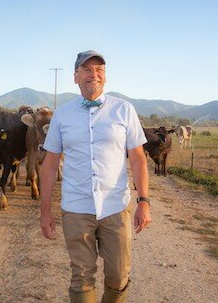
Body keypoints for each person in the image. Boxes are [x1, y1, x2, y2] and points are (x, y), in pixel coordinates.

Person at [40, 50, 151, 303]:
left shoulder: (124, 110)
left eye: (99, 69)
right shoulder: (62, 115)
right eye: (87, 70)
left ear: (105, 76)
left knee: (119, 274)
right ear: (76, 77)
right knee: (81, 276)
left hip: (115, 206)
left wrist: (144, 201)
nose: (94, 74)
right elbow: (49, 165)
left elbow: (138, 158)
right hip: (76, 207)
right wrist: (45, 211)